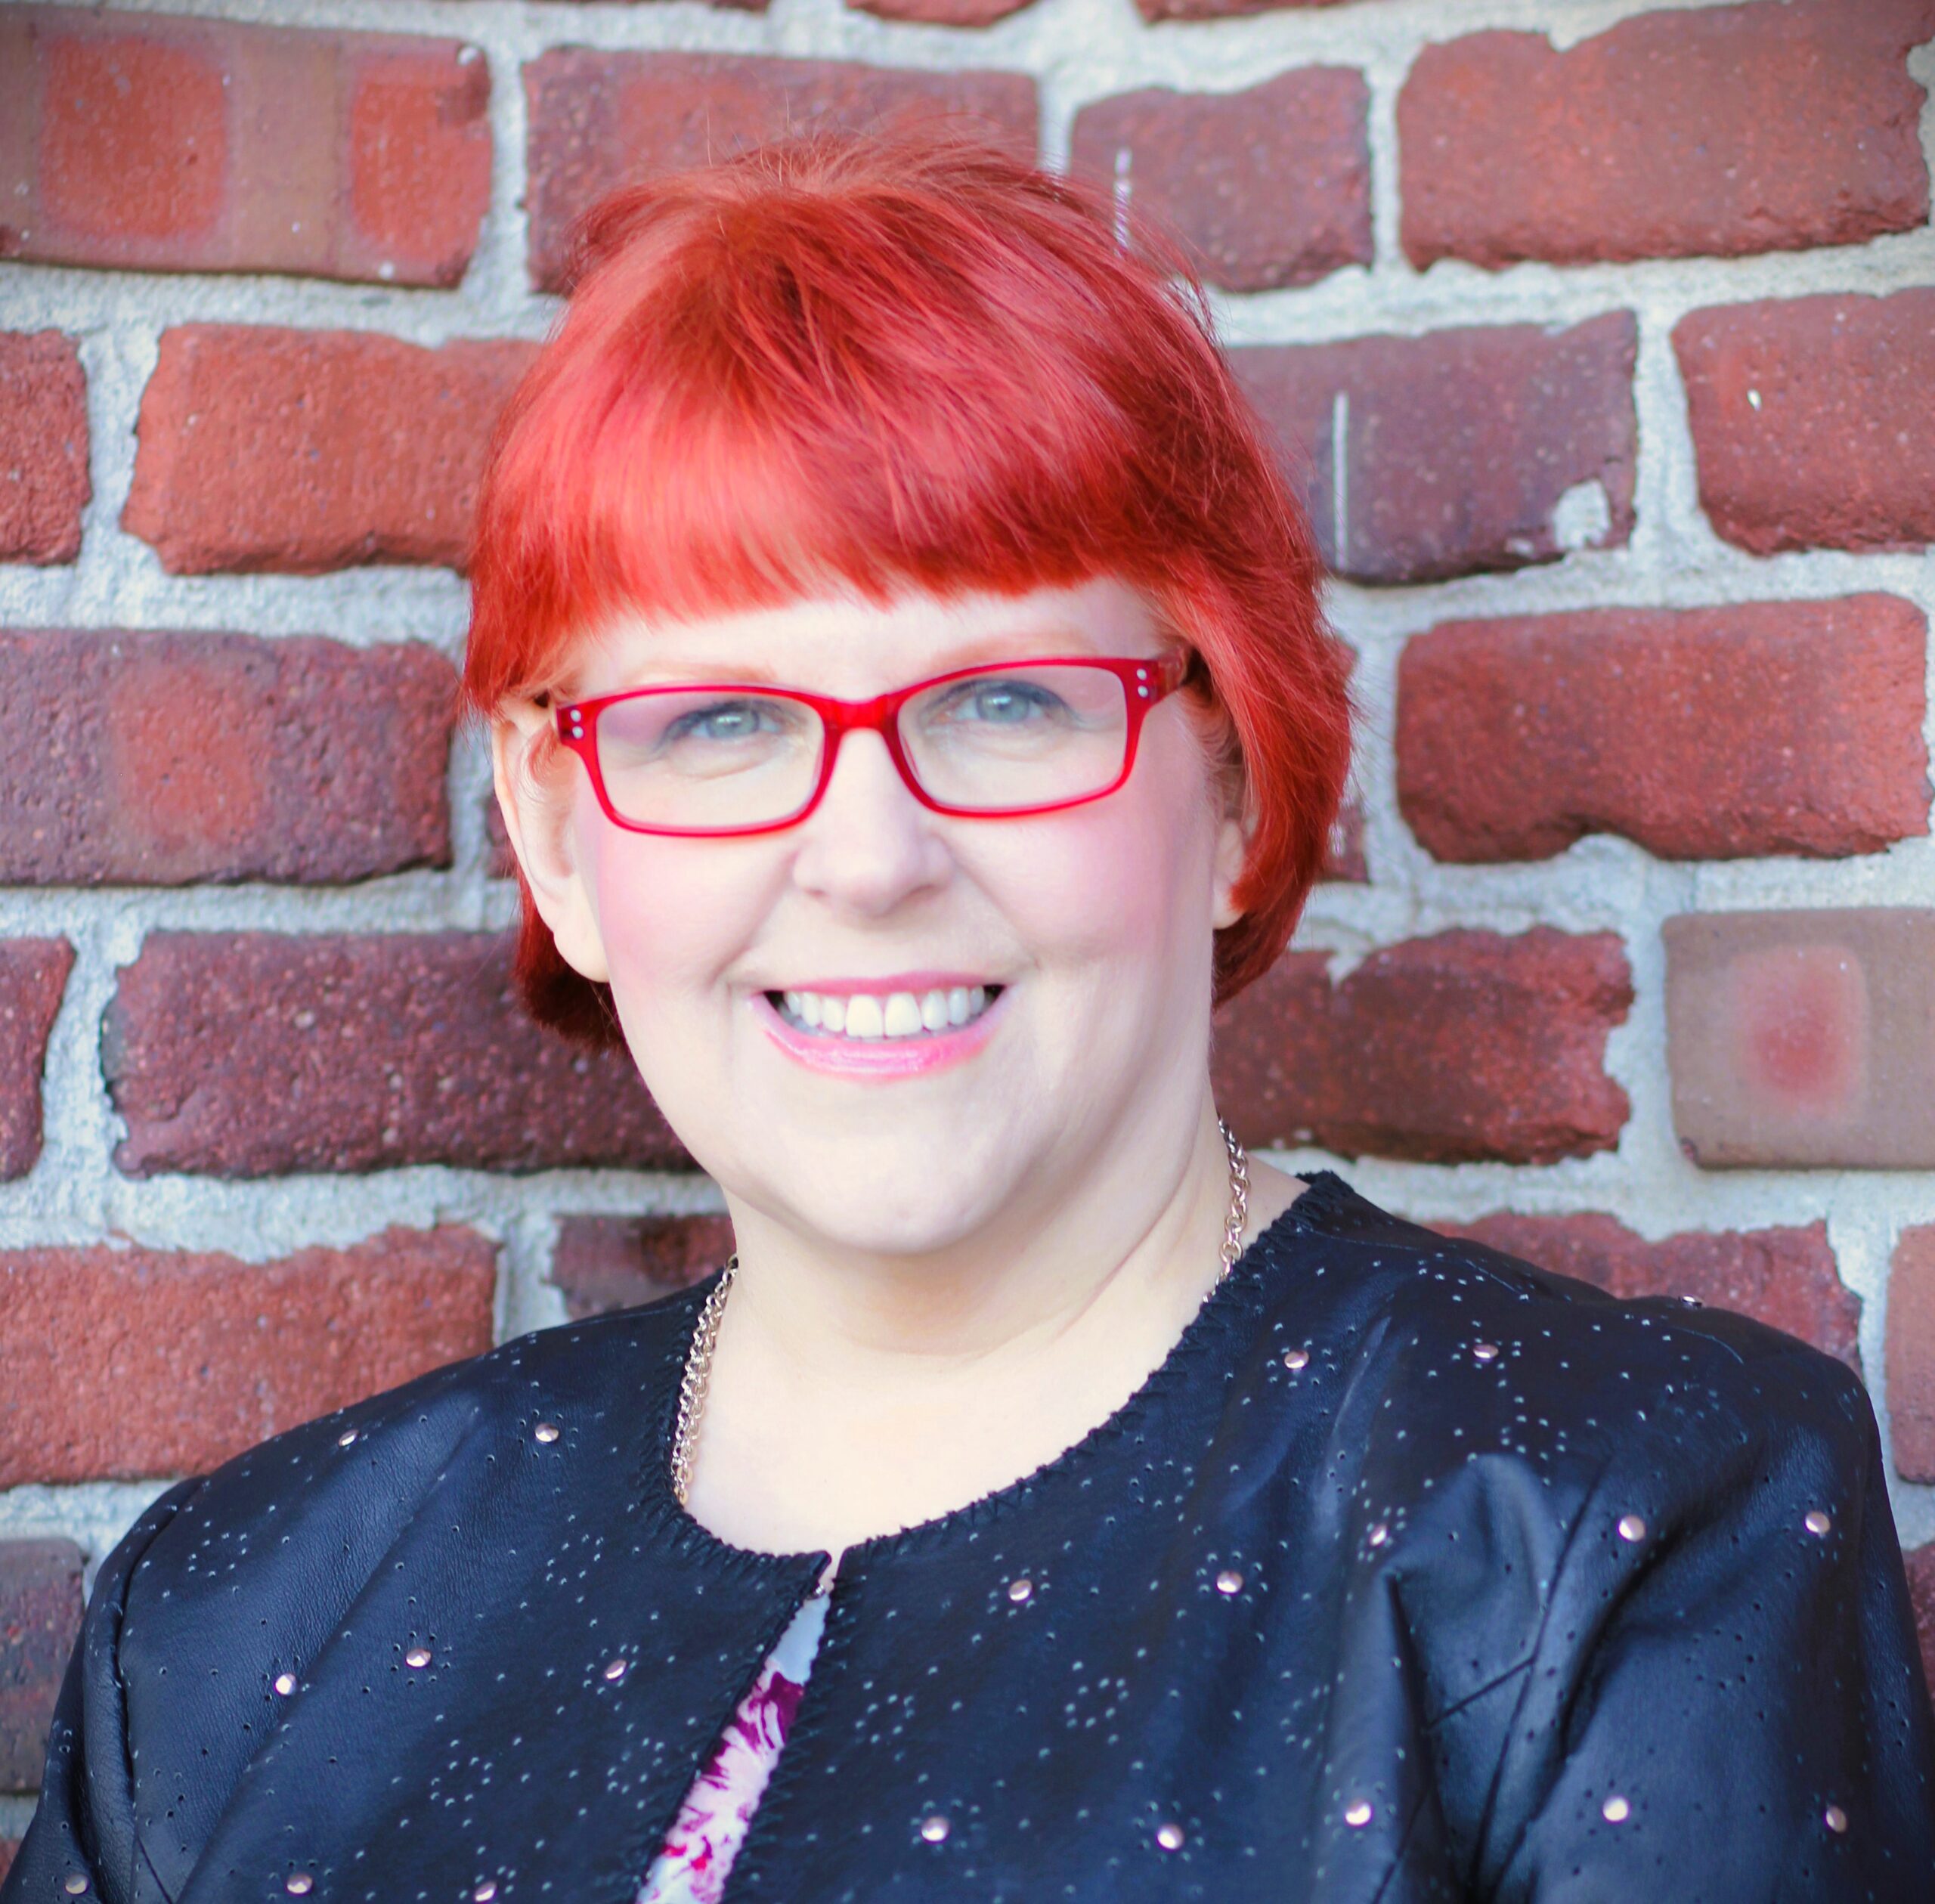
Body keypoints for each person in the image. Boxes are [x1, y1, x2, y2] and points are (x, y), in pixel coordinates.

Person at [8, 128, 1933, 1904]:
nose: (864, 855)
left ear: (1236, 784)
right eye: (719, 720)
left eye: (1007, 699)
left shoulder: (1607, 1517)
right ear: (558, 834)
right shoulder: (230, 1620)